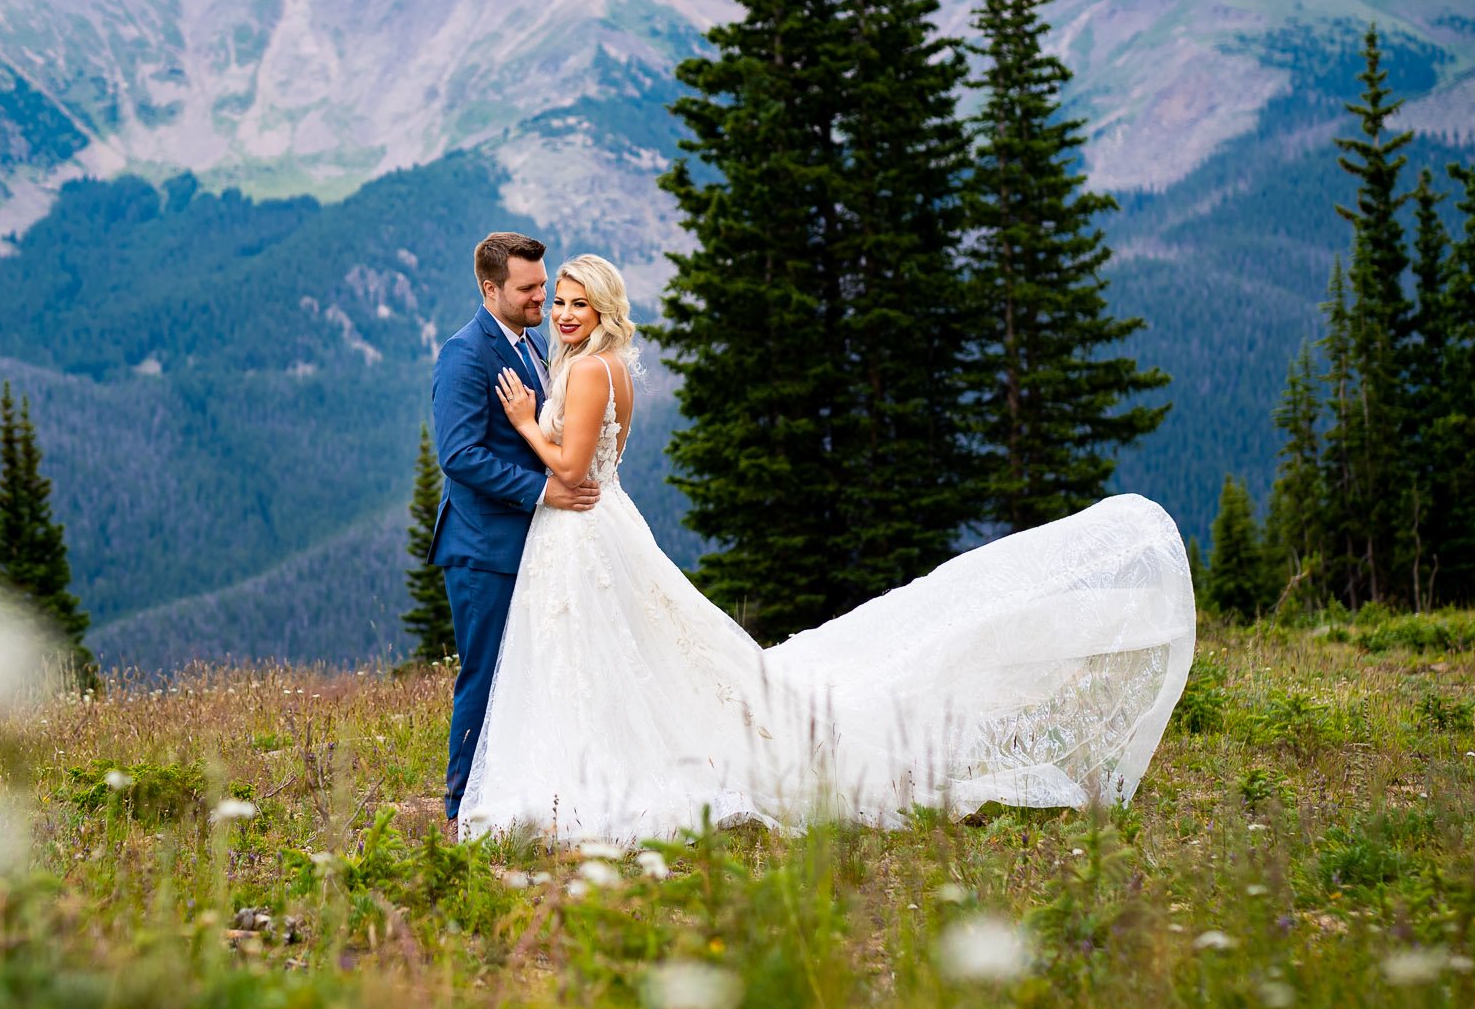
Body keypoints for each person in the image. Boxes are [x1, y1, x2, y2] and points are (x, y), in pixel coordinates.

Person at [458, 252, 1196, 845]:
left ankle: (582, 775)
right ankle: (587, 764)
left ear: (603, 309)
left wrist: (526, 421)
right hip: (602, 524)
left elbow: (570, 466)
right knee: (609, 656)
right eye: (555, 299)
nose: (560, 311)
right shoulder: (609, 364)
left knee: (590, 654)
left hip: (582, 528)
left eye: (576, 302)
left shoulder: (586, 368)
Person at [426, 232, 601, 825]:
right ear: (490, 288)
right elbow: (459, 455)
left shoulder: (531, 346)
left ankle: (508, 797)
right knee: (485, 673)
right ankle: (459, 809)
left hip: (531, 544)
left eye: (543, 284)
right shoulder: (464, 354)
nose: (541, 297)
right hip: (482, 549)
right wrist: (543, 489)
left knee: (524, 673)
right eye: (528, 288)